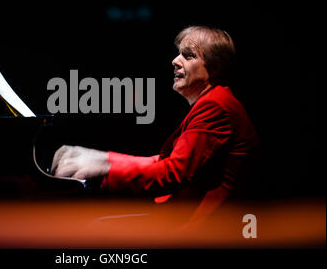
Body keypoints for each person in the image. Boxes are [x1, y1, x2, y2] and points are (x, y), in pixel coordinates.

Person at [51, 25, 259, 225]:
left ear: (214, 67)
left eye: (188, 56)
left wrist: (105, 169)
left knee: (93, 228)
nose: (175, 61)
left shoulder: (216, 107)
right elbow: (165, 161)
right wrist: (102, 158)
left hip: (205, 228)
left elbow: (172, 173)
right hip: (187, 217)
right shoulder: (215, 101)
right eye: (179, 54)